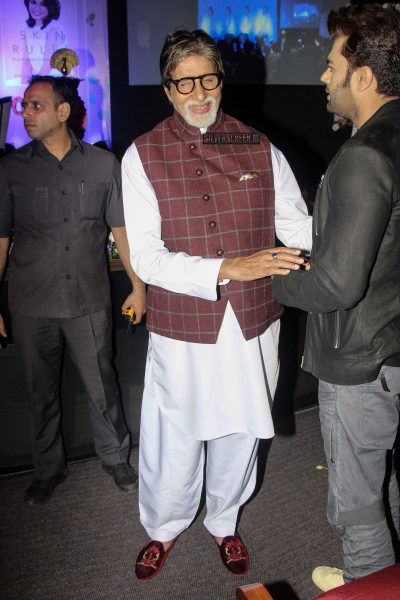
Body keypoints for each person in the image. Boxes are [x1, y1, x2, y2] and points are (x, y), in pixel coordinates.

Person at [122, 28, 312, 580]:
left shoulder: (260, 146)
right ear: (167, 89)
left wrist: (353, 219)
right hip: (183, 324)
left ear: (220, 81)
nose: (198, 92)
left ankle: (224, 522)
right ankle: (163, 527)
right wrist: (226, 268)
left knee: (241, 428)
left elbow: (296, 225)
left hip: (253, 322)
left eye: (208, 79)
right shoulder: (142, 155)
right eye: (184, 83)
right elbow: (149, 260)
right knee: (175, 431)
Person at [272, 4, 400, 592]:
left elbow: (335, 286)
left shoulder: (363, 156)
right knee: (386, 481)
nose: (323, 76)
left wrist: (268, 280)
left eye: (331, 66)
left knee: (357, 503)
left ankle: (366, 582)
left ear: (364, 77)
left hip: (359, 363)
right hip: (392, 349)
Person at [0, 75, 146, 505]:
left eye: (36, 105)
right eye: (24, 106)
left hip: (88, 299)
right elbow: (1, 239)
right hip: (31, 302)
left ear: (63, 112)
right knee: (39, 391)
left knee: (104, 385)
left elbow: (121, 230)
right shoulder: (10, 169)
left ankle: (115, 457)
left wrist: (138, 287)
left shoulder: (103, 165)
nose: (25, 113)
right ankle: (47, 468)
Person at [21, 0, 65, 83]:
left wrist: (34, 88)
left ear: (50, 7)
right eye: (33, 2)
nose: (37, 8)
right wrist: (23, 89)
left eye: (43, 4)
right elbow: (26, 63)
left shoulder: (54, 28)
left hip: (55, 81)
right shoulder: (27, 28)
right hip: (39, 79)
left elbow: (47, 65)